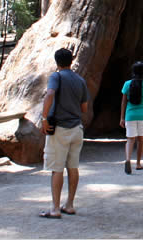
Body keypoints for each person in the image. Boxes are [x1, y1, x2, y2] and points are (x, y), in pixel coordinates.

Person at [39, 48, 89, 219]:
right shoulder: (80, 80)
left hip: (60, 129)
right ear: (72, 60)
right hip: (77, 128)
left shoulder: (56, 76)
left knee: (57, 168)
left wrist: (44, 118)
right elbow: (84, 107)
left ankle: (55, 208)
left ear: (56, 61)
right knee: (73, 167)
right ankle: (70, 205)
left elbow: (50, 94)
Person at [121, 61, 143, 173]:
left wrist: (122, 118)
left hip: (130, 115)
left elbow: (124, 102)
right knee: (141, 140)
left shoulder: (127, 84)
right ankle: (138, 163)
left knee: (130, 140)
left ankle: (128, 159)